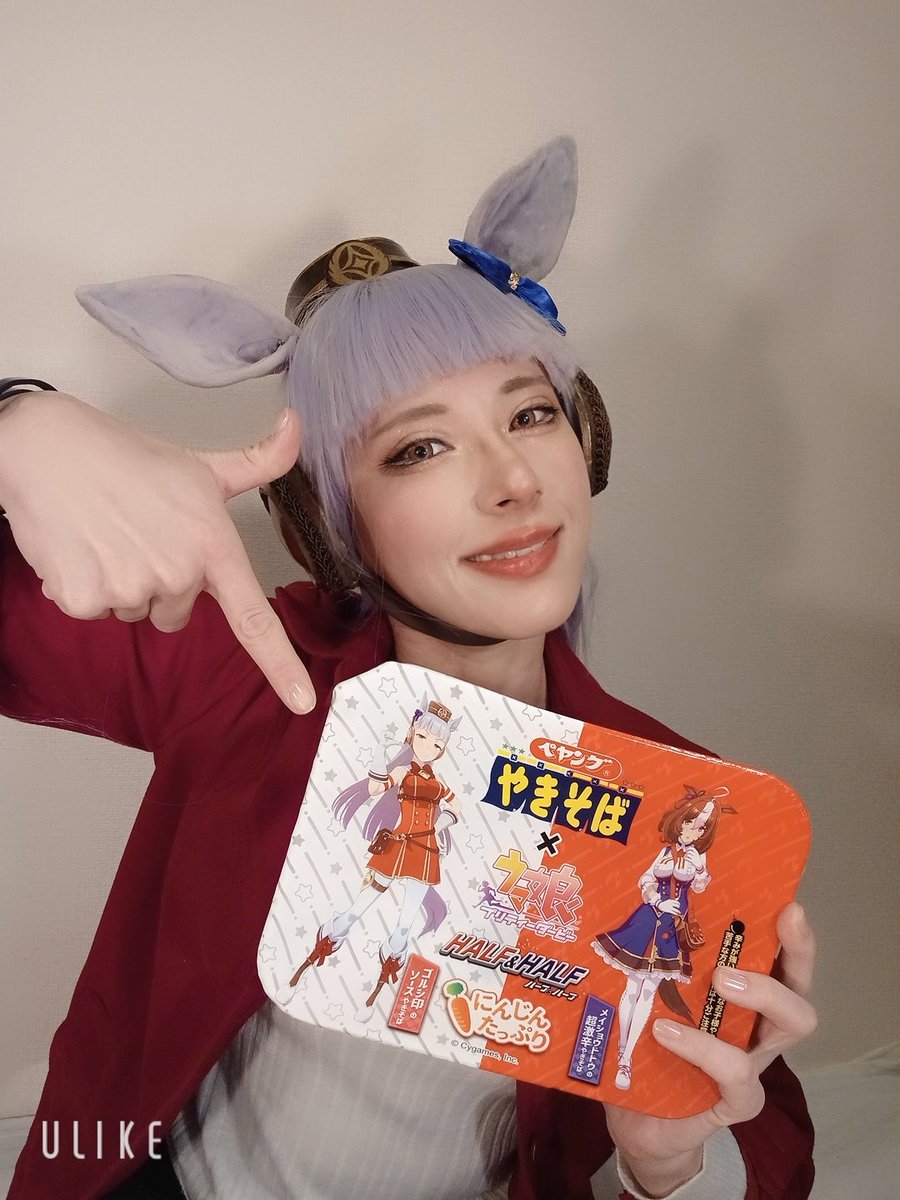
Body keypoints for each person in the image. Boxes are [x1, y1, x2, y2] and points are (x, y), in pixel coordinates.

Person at [0, 138, 816, 1200]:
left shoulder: (684, 815)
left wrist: (661, 1168)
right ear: (332, 522)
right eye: (418, 448)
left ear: (587, 441)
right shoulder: (247, 673)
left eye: (530, 414)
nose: (513, 479)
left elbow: (766, 1152)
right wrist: (18, 421)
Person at [592, 787, 736, 1093]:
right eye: (691, 821)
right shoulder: (666, 851)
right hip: (647, 919)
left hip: (671, 926)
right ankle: (622, 1046)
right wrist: (657, 900)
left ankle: (626, 1059)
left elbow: (699, 887)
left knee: (648, 992)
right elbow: (644, 880)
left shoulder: (698, 856)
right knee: (632, 987)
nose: (694, 830)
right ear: (680, 820)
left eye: (702, 827)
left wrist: (700, 868)